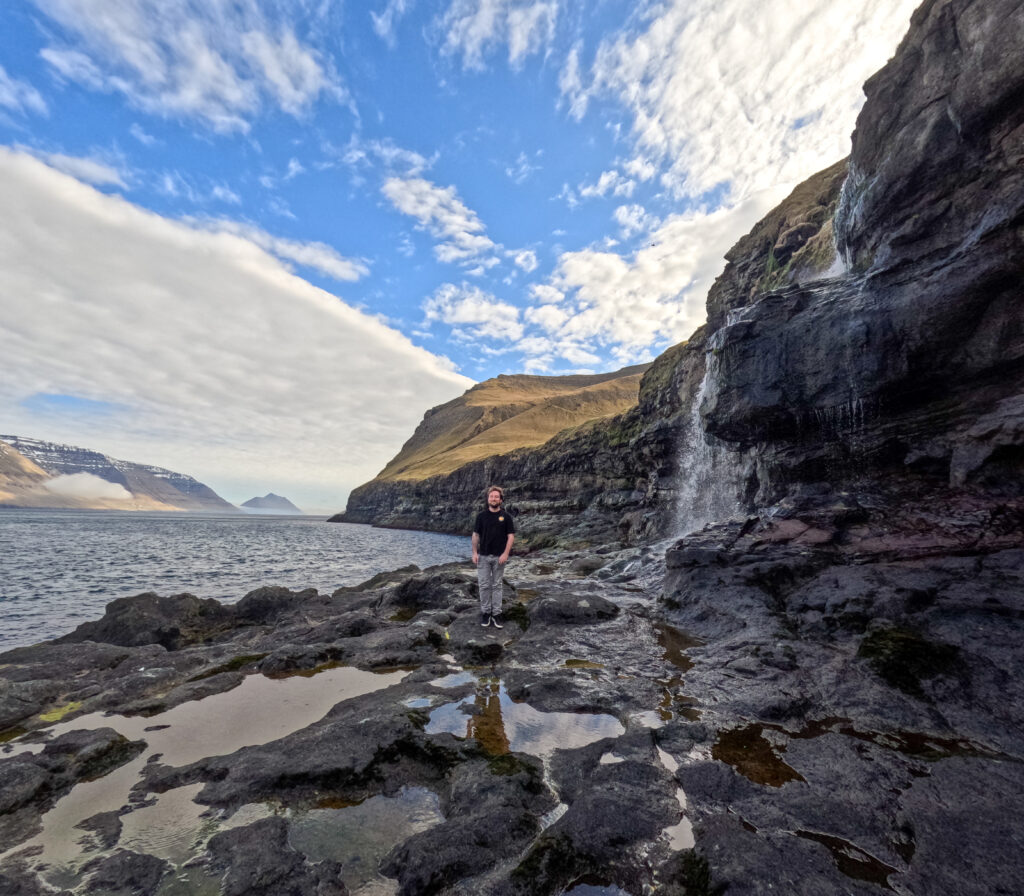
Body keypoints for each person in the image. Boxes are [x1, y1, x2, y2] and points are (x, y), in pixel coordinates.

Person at [471, 485, 515, 628]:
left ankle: (496, 614)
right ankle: (485, 613)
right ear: (488, 499)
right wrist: (474, 552)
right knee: (484, 586)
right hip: (483, 557)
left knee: (497, 586)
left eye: (496, 496)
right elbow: (475, 535)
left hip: (499, 558)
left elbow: (511, 536)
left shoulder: (506, 517)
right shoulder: (481, 517)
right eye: (491, 496)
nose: (494, 499)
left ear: (501, 500)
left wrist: (505, 554)